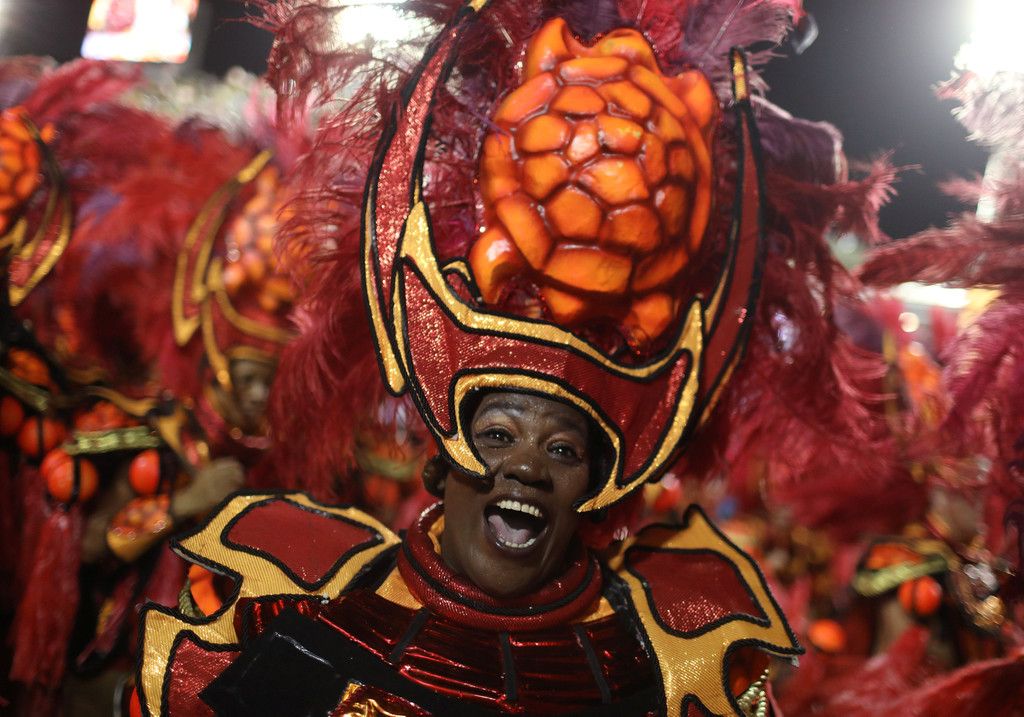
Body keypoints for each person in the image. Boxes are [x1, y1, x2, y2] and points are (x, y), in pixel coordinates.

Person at [136, 0, 897, 714]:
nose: (527, 467)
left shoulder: (671, 661)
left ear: (595, 487)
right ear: (439, 466)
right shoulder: (301, 606)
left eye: (563, 449)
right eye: (498, 434)